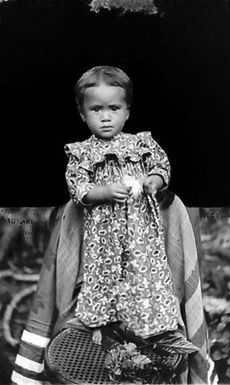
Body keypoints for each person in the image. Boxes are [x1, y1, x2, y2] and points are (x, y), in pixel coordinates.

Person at [64, 65, 195, 349]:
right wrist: (104, 191)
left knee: (142, 272)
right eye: (96, 109)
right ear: (82, 114)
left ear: (127, 111)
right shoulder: (82, 152)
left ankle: (145, 326)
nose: (106, 116)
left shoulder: (141, 144)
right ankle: (105, 326)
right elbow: (78, 188)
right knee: (103, 275)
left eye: (114, 108)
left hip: (140, 231)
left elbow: (162, 166)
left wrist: (154, 181)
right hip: (104, 234)